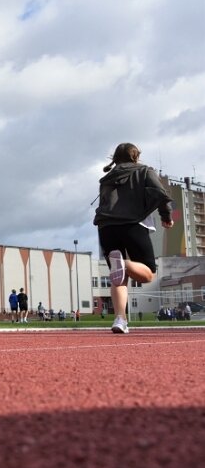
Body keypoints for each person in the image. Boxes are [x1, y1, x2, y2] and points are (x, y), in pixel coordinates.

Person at [94, 143, 174, 334]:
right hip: (132, 224)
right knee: (148, 274)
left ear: (116, 157)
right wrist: (166, 216)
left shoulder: (106, 178)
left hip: (106, 227)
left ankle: (120, 319)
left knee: (118, 278)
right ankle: (124, 264)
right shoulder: (145, 171)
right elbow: (161, 194)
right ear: (136, 156)